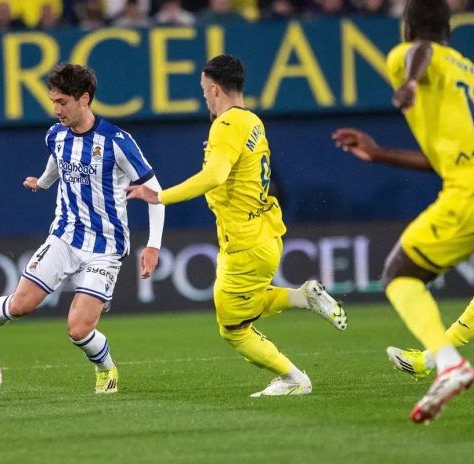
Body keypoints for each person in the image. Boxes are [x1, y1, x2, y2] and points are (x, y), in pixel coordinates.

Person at [0, 63, 165, 395]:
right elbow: (56, 161)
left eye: (62, 102)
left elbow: (156, 192)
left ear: (84, 99)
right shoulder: (56, 135)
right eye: (53, 102)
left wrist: (153, 245)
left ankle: (106, 369)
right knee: (20, 305)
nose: (56, 110)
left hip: (105, 247)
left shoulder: (116, 141)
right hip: (64, 236)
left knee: (78, 330)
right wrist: (44, 182)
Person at [126, 54, 347, 398]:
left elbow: (215, 175)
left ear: (215, 89)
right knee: (243, 301)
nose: (204, 97)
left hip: (244, 241)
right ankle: (302, 297)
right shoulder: (252, 121)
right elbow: (237, 167)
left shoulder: (226, 124)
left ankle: (293, 379)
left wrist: (160, 196)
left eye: (204, 90)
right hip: (265, 234)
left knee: (233, 328)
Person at [332, 0, 474, 423]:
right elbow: (438, 159)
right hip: (463, 176)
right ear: (451, 31)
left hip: (467, 191)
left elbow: (421, 51)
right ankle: (436, 359)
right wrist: (378, 154)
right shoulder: (467, 71)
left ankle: (447, 363)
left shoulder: (409, 55)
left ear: (407, 27)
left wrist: (410, 81)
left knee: (399, 274)